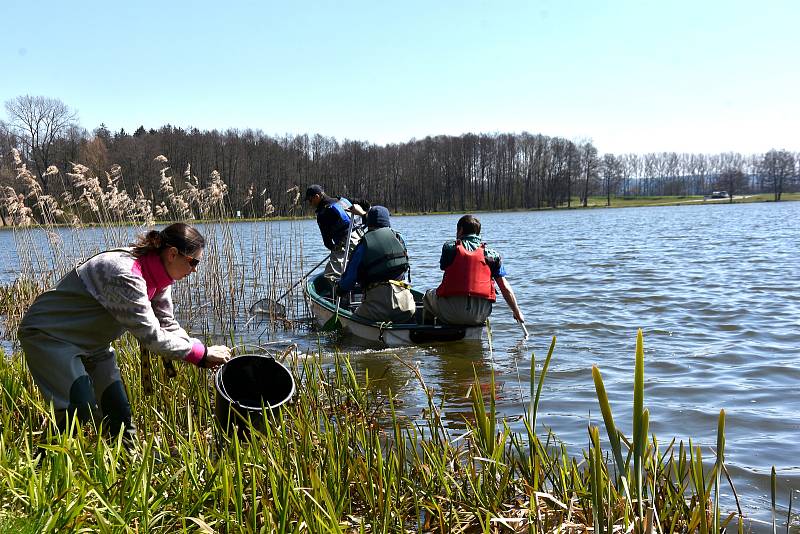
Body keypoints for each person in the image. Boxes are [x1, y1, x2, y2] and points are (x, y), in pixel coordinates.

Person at [18, 223, 232, 441]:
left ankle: (127, 466)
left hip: (94, 345)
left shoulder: (160, 277)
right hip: (50, 335)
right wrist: (201, 354)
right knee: (78, 409)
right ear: (172, 254)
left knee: (118, 414)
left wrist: (200, 349)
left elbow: (167, 324)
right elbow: (152, 337)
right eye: (193, 262)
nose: (195, 269)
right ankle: (41, 465)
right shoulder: (125, 274)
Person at [423, 214, 524, 326]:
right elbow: (505, 287)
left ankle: (429, 332)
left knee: (427, 296)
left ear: (460, 230)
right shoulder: (492, 255)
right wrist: (516, 311)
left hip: (452, 313)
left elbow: (443, 266)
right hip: (480, 315)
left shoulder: (450, 248)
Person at [337, 206, 415, 323]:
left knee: (351, 323)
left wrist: (340, 290)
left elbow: (348, 282)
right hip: (405, 306)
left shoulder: (363, 245)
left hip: (376, 309)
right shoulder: (399, 238)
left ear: (369, 224)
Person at [304, 184, 365, 282]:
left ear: (317, 197)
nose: (310, 203)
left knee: (330, 275)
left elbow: (327, 241)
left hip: (347, 242)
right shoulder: (341, 200)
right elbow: (364, 203)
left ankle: (337, 295)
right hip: (362, 238)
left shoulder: (323, 213)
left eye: (310, 200)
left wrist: (334, 249)